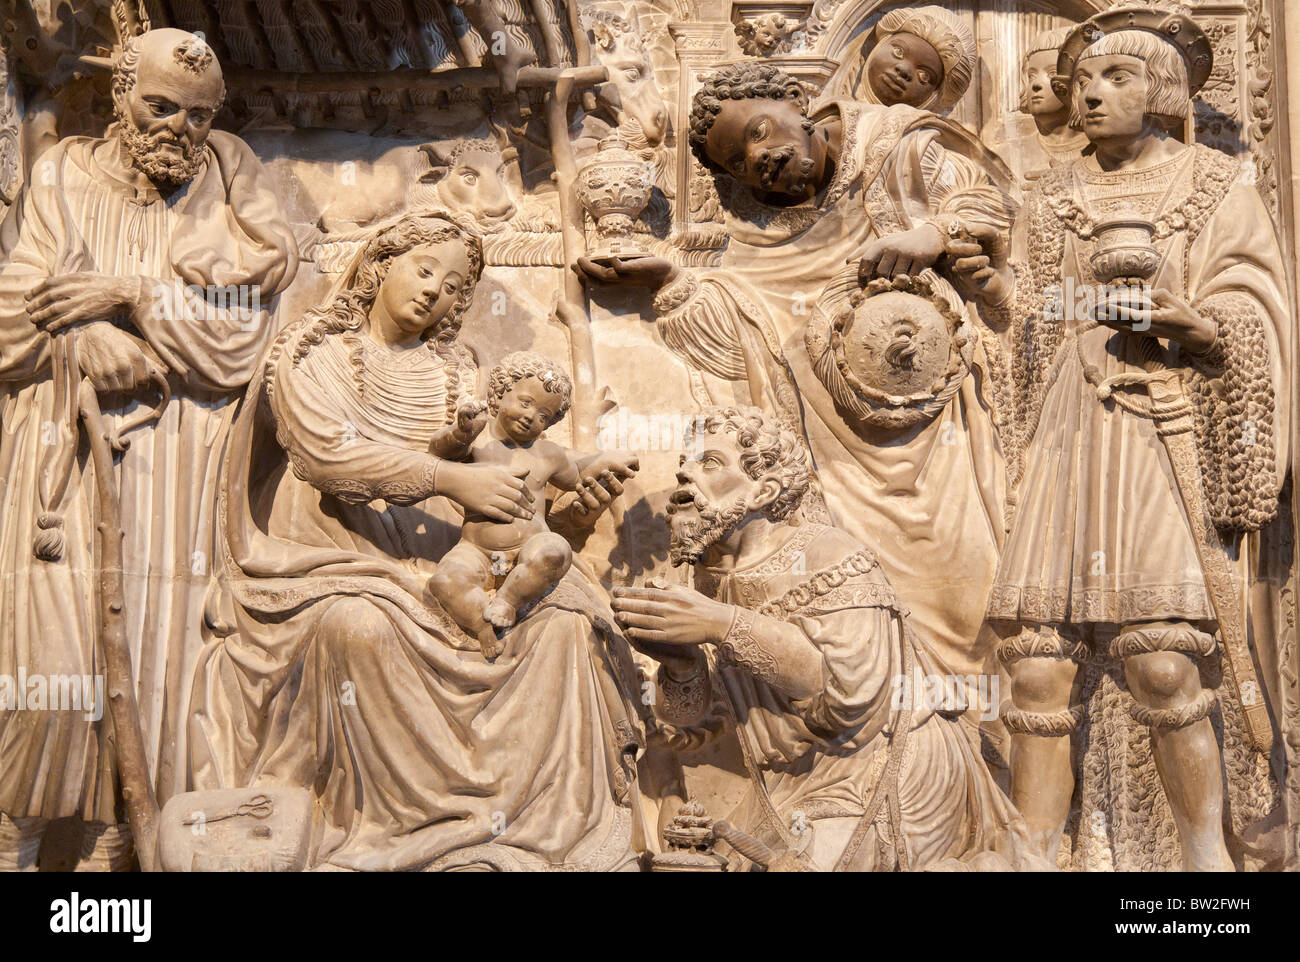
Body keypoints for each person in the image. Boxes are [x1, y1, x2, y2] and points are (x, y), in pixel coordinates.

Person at [188, 212, 649, 871]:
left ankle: (547, 835)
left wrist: (566, 516)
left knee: (566, 619)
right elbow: (326, 459)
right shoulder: (310, 351)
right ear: (380, 267)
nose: (436, 291)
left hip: (449, 563)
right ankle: (398, 837)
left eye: (456, 286)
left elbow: (507, 490)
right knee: (360, 627)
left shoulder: (460, 374)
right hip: (329, 560)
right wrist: (449, 477)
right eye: (424, 269)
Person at [580, 59, 1016, 692]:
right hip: (836, 466)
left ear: (799, 102)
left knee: (969, 587)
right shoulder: (759, 244)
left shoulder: (895, 147)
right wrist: (672, 282)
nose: (759, 158)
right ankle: (892, 739)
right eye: (738, 163)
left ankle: (982, 751)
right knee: (860, 598)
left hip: (936, 437)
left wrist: (932, 234)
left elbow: (990, 204)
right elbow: (747, 328)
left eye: (760, 131)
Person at [978, 3, 1291, 870]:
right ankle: (1036, 853)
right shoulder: (1051, 197)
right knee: (1037, 663)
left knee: (1162, 662)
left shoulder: (1214, 182)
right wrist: (995, 294)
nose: (1090, 96)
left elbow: (1256, 301)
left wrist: (1196, 323)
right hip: (1070, 427)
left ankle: (1204, 863)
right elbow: (1036, 316)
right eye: (1080, 83)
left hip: (1165, 424)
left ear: (1163, 87)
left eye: (1115, 77)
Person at [0, 27, 297, 870]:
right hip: (61, 449)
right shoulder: (61, 172)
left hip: (178, 460)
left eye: (197, 116)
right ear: (120, 97)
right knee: (45, 676)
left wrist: (131, 297)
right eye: (158, 106)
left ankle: (110, 874)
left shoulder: (228, 197)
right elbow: (18, 302)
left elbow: (237, 337)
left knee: (160, 677)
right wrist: (82, 334)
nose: (176, 127)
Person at [612, 406, 1040, 870]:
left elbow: (853, 695)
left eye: (708, 462)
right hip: (799, 777)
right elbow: (701, 722)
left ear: (765, 489)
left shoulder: (828, 553)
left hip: (888, 766)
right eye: (684, 463)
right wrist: (681, 665)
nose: (683, 475)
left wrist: (723, 624)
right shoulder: (714, 583)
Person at [428, 350, 639, 655]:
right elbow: (439, 451)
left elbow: (577, 476)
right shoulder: (478, 440)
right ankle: (481, 626)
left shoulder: (548, 454)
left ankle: (508, 602)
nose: (531, 416)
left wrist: (607, 461)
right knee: (446, 580)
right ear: (499, 395)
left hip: (529, 547)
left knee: (555, 550)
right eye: (525, 403)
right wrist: (460, 430)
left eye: (543, 415)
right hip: (475, 549)